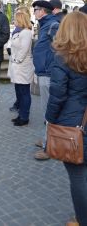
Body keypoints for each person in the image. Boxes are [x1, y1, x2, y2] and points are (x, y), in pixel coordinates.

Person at [45, 12, 87, 226]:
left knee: (78, 176)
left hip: (73, 123)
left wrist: (49, 120)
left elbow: (58, 94)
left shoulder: (63, 56)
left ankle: (82, 219)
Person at [32, 0, 60, 160]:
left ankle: (49, 147)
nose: (34, 12)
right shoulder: (46, 25)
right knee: (46, 111)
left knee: (48, 112)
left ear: (42, 11)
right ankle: (46, 140)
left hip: (48, 73)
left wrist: (51, 66)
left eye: (35, 9)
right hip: (44, 72)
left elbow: (61, 48)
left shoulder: (52, 25)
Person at [8, 11, 34, 126]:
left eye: (15, 19)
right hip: (17, 66)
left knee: (24, 92)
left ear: (21, 20)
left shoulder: (27, 32)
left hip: (23, 66)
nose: (14, 21)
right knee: (19, 91)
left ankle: (24, 117)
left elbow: (24, 50)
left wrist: (16, 60)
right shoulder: (18, 32)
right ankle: (20, 115)